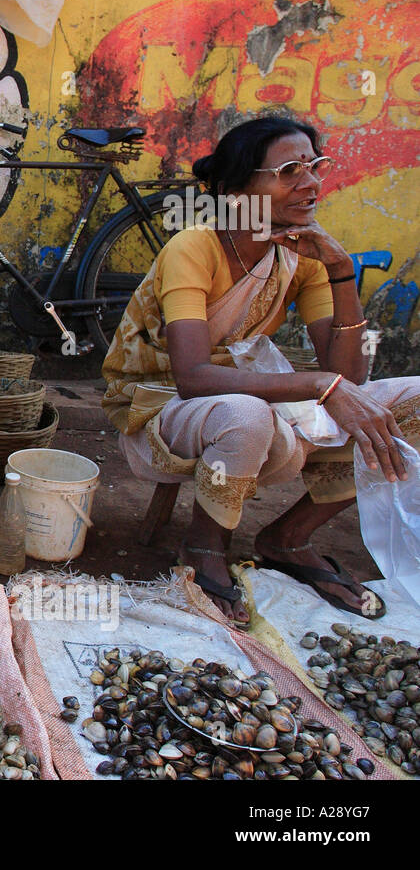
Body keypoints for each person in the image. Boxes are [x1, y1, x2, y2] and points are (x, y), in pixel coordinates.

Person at [102, 115, 420, 625]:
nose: (311, 182)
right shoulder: (195, 247)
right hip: (159, 412)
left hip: (245, 402)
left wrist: (342, 273)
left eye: (315, 167)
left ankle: (287, 539)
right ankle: (205, 547)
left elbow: (351, 375)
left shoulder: (308, 256)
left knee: (415, 402)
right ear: (236, 191)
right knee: (246, 415)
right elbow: (193, 377)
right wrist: (319, 384)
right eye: (290, 170)